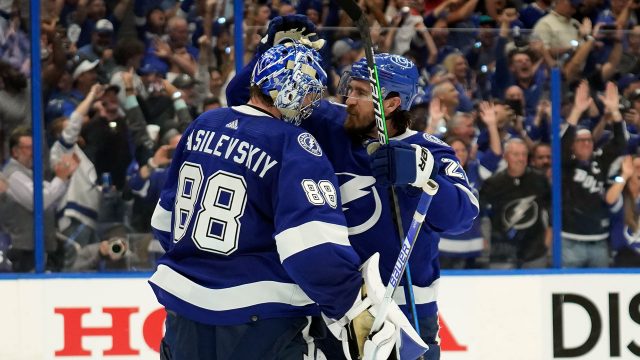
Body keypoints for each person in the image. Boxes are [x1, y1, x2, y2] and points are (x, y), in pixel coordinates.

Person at [149, 43, 426, 360]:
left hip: (181, 315)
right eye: (309, 92)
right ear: (290, 91)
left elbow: (162, 223)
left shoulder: (204, 124)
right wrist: (354, 311)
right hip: (259, 322)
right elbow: (312, 250)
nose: (313, 102)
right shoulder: (294, 144)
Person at [227, 17, 479, 360]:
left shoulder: (429, 151)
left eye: (361, 93)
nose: (348, 99)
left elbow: (464, 215)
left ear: (391, 104)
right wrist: (270, 53)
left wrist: (423, 179)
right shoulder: (331, 126)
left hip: (405, 313)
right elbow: (247, 99)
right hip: (335, 307)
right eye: (349, 89)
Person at [562, 81, 626, 268]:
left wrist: (614, 111)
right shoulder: (566, 164)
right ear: (573, 145)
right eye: (580, 140)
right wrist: (576, 111)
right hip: (570, 240)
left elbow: (619, 143)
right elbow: (563, 145)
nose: (586, 143)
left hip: (599, 240)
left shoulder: (600, 162)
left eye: (589, 140)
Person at [1, 127, 79, 271]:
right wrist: (61, 178)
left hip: (37, 246)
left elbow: (51, 193)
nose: (33, 153)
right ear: (15, 151)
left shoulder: (29, 174)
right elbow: (39, 201)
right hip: (23, 249)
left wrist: (66, 175)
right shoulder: (13, 174)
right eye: (28, 148)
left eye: (35, 147)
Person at [480, 139, 551, 269]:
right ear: (506, 156)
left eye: (524, 154)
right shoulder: (493, 184)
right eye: (516, 154)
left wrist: (547, 239)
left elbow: (552, 210)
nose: (521, 158)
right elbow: (482, 214)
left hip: (534, 252)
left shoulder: (539, 180)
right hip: (502, 252)